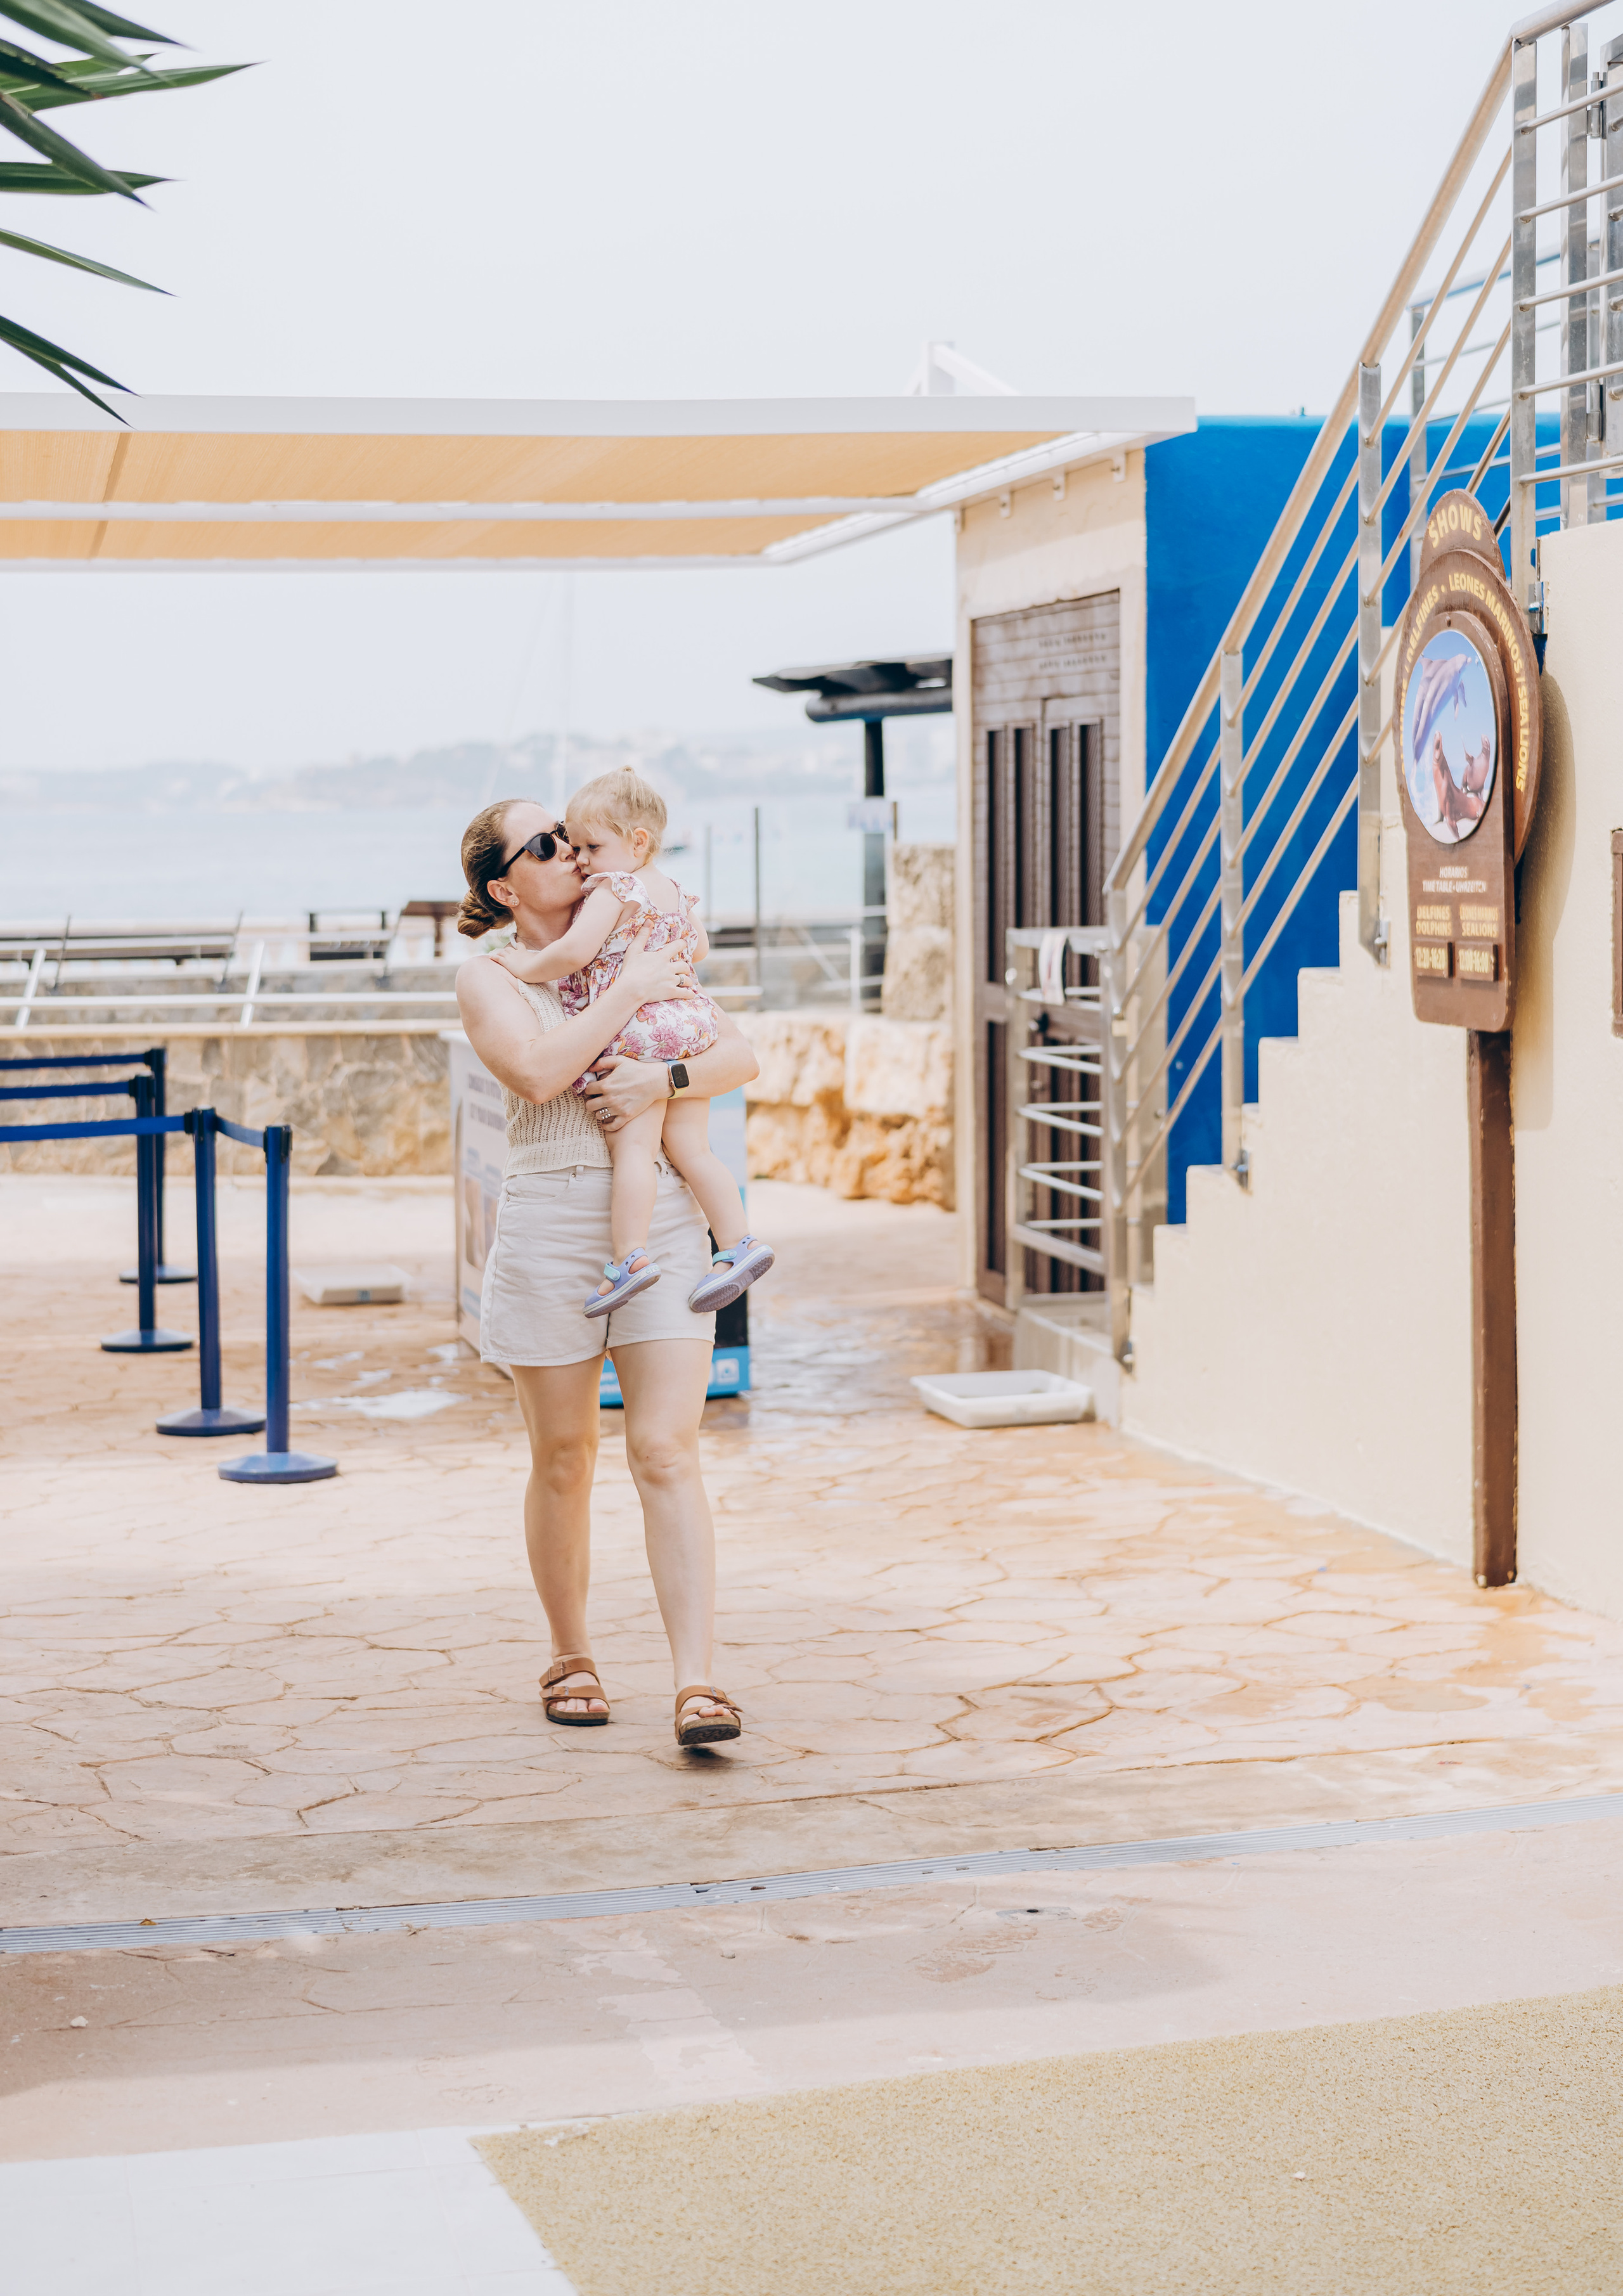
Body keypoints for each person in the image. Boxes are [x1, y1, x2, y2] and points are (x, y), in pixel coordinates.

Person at [454, 796, 758, 1749]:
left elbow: (735, 1053)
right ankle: (571, 1651)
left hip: (661, 1219)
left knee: (667, 1450)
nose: (569, 852)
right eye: (545, 845)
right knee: (566, 1456)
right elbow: (541, 1074)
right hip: (551, 1223)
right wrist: (627, 988)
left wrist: (663, 1082)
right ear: (506, 885)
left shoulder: (640, 922)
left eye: (570, 835)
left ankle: (698, 1681)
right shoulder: (492, 975)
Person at [493, 766, 773, 1319]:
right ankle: (739, 1243)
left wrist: (522, 965)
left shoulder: (616, 888)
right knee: (694, 1149)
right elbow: (700, 950)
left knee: (636, 1154)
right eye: (573, 846)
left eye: (591, 846)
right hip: (690, 1024)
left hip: (640, 1033)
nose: (584, 860)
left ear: (637, 842)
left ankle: (630, 1258)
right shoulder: (673, 889)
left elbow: (573, 954)